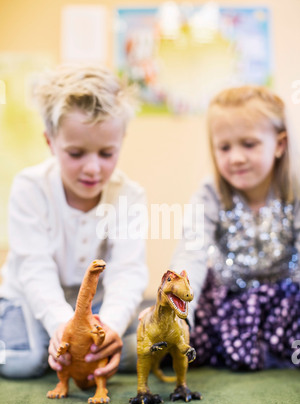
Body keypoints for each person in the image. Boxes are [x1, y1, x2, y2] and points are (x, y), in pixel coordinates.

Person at [0, 64, 148, 379]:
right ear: (50, 142)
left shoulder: (130, 195)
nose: (93, 168)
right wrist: (60, 325)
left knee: (147, 345)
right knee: (24, 362)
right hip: (28, 295)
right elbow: (34, 268)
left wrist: (109, 327)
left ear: (122, 141)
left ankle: (97, 348)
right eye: (77, 153)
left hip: (95, 302)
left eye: (107, 153)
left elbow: (128, 271)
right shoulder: (30, 187)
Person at [171, 85, 300, 370]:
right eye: (224, 147)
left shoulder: (294, 190)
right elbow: (190, 253)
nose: (236, 158)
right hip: (229, 300)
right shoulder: (211, 193)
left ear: (279, 145)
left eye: (249, 144)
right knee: (175, 347)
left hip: (287, 299)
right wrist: (178, 314)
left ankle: (271, 350)